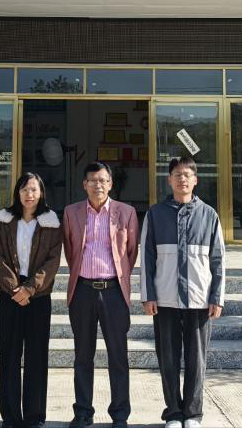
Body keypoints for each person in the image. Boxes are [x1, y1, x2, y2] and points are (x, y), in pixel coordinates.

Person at [140, 155, 225, 428]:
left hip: (199, 299)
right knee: (167, 358)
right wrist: (148, 295)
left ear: (195, 180)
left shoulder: (209, 215)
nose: (182, 179)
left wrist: (217, 297)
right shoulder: (155, 214)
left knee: (197, 360)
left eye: (187, 174)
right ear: (169, 180)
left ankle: (193, 414)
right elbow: (147, 257)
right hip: (165, 298)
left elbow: (218, 260)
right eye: (177, 174)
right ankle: (174, 413)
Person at [62, 161, 139, 428]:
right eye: (93, 180)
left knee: (118, 356)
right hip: (82, 291)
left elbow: (131, 253)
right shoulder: (71, 212)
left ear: (111, 183)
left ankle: (120, 414)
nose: (98, 185)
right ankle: (83, 412)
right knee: (83, 356)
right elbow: (70, 250)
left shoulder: (126, 212)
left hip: (114, 292)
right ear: (84, 184)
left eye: (103, 180)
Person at [0, 172, 63, 428]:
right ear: (17, 193)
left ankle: (34, 416)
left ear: (41, 192)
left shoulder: (51, 222)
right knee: (9, 356)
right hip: (10, 296)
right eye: (24, 189)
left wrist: (30, 288)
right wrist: (15, 289)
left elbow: (53, 261)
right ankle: (10, 416)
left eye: (33, 189)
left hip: (39, 297)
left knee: (36, 357)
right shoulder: (3, 221)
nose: (29, 194)